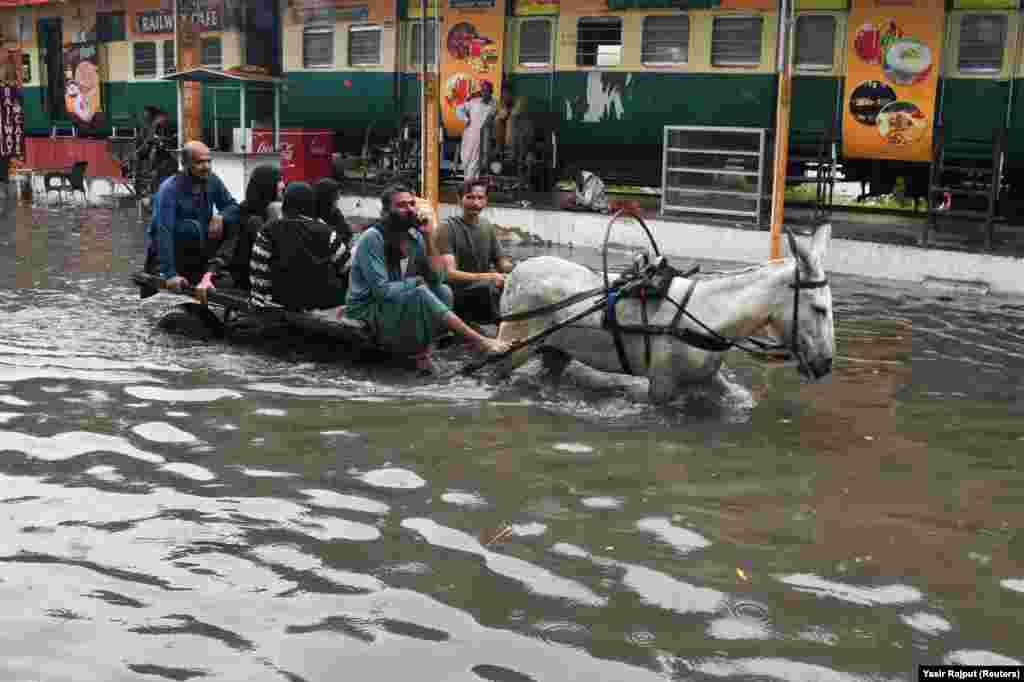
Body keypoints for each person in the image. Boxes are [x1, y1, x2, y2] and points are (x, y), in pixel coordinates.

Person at [345, 184, 508, 373]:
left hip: (396, 300)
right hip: (367, 306)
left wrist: (429, 237)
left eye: (412, 204)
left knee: (443, 291)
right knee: (421, 291)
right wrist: (414, 282)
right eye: (401, 205)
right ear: (386, 211)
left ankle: (425, 349)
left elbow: (438, 278)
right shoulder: (373, 238)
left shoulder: (415, 236)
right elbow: (382, 290)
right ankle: (480, 341)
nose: (409, 210)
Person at [144, 140, 240, 294]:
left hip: (200, 246)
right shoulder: (169, 189)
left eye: (209, 161)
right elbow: (163, 231)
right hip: (176, 249)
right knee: (191, 228)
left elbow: (232, 206)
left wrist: (221, 216)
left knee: (235, 222)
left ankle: (214, 267)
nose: (206, 167)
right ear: (185, 164)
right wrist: (170, 274)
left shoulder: (212, 180)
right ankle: (185, 271)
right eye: (200, 163)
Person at [249, 182, 348, 311]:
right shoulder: (326, 231)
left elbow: (258, 268)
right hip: (322, 305)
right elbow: (346, 266)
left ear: (285, 203)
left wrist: (259, 300)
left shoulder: (268, 230)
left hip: (279, 302)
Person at [435, 180, 513, 324]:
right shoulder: (446, 228)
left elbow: (501, 261)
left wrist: (517, 270)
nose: (475, 203)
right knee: (490, 288)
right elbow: (450, 274)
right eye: (470, 197)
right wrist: (489, 276)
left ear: (486, 201)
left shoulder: (487, 226)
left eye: (480, 198)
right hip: (457, 293)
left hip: (484, 288)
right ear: (459, 199)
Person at [196, 164, 283, 292]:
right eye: (279, 180)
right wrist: (209, 275)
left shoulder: (270, 210)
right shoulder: (248, 215)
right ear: (267, 184)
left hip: (263, 276)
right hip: (248, 279)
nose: (283, 185)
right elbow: (229, 246)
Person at [457, 81, 496, 181]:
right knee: (466, 159)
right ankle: (469, 182)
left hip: (483, 137)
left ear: (491, 92)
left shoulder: (494, 103)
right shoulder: (474, 102)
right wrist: (466, 119)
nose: (484, 93)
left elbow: (492, 116)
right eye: (483, 91)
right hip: (469, 135)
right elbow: (459, 109)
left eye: (487, 91)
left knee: (476, 161)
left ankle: (471, 183)